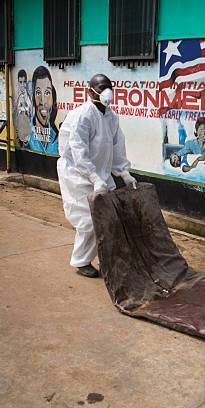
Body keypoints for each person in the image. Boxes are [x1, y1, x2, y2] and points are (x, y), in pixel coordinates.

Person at [57, 73, 137, 278]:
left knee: (110, 218)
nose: (106, 92)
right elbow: (78, 151)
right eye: (101, 88)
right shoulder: (81, 116)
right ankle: (81, 261)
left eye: (108, 87)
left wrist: (124, 172)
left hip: (101, 175)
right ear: (90, 91)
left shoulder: (111, 117)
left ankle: (108, 260)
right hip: (77, 176)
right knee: (89, 221)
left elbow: (117, 146)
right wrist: (93, 178)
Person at [28, 66, 59, 155]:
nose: (43, 101)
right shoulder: (26, 132)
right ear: (33, 97)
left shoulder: (56, 136)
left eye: (47, 93)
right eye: (38, 93)